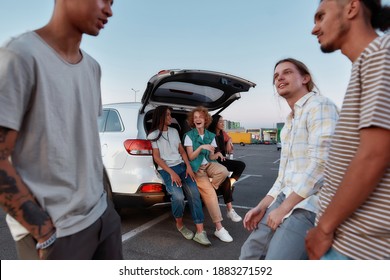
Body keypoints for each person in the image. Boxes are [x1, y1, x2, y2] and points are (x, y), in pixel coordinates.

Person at [0, 0, 123, 260]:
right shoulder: (20, 56)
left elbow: (84, 141)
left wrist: (106, 206)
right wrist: (44, 232)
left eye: (113, 2)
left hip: (103, 218)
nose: (110, 10)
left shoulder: (93, 68)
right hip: (56, 234)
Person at [306, 0, 390, 260]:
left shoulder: (381, 52)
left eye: (321, 17)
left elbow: (374, 155)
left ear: (352, 8)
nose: (314, 29)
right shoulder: (367, 62)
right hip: (350, 242)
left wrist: (324, 228)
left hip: (359, 248)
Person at [239, 58, 339, 260]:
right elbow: (283, 178)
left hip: (312, 203)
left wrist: (284, 208)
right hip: (285, 198)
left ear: (305, 78)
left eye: (287, 72)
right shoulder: (289, 124)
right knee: (249, 254)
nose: (279, 78)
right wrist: (262, 206)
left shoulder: (320, 106)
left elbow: (322, 165)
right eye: (276, 76)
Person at [148, 106, 211, 246]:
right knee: (178, 197)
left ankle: (200, 232)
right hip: (167, 169)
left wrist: (188, 166)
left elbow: (182, 151)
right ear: (161, 117)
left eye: (170, 115)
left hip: (182, 166)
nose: (171, 118)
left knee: (194, 194)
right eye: (168, 115)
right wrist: (172, 173)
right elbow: (157, 158)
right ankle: (180, 225)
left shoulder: (174, 131)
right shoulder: (153, 135)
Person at [184, 106, 233, 243]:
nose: (198, 119)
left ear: (206, 120)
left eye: (200, 117)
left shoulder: (210, 136)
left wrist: (216, 154)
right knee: (211, 195)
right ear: (192, 121)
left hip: (208, 165)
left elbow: (211, 157)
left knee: (223, 171)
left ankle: (213, 186)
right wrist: (200, 147)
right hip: (197, 168)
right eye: (195, 117)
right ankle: (219, 228)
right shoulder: (189, 136)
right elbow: (191, 157)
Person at [208, 114, 246, 222]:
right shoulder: (210, 134)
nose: (222, 123)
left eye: (223, 121)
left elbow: (229, 137)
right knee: (224, 180)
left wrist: (229, 140)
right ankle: (230, 210)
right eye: (220, 121)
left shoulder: (221, 133)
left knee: (241, 165)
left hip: (223, 159)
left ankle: (231, 183)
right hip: (215, 160)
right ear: (215, 122)